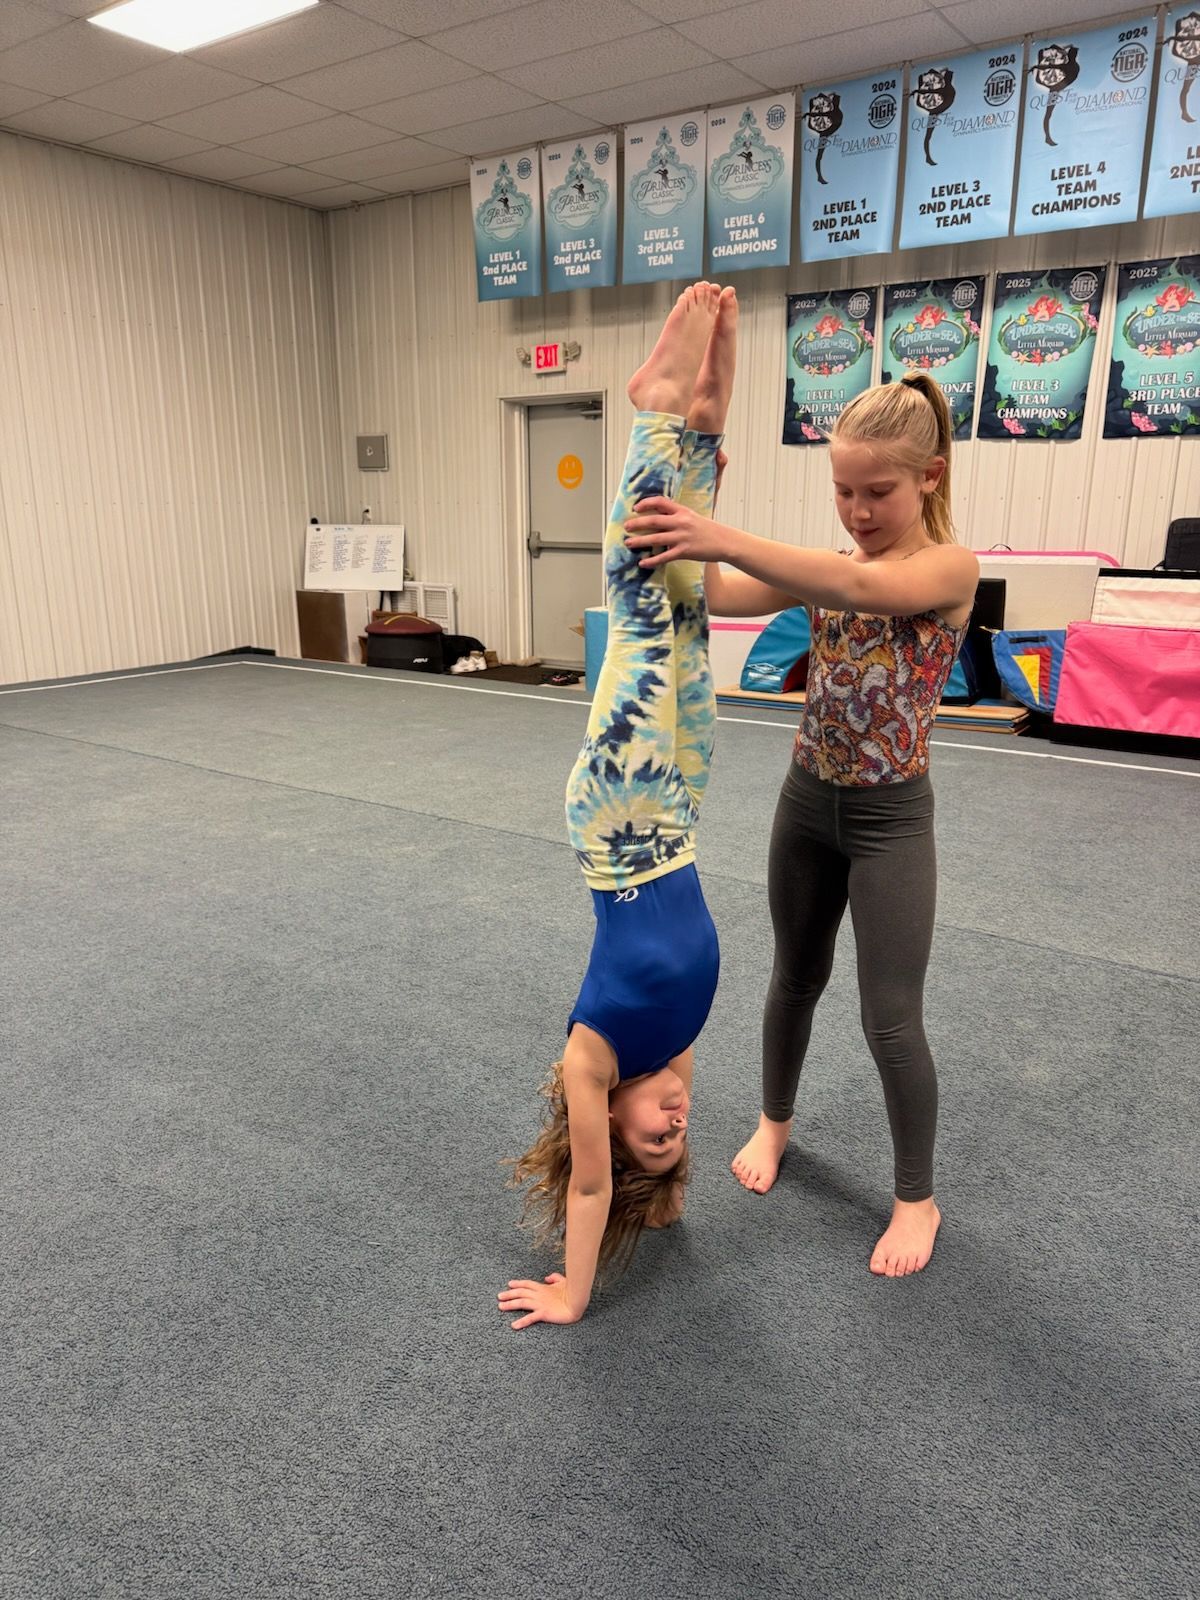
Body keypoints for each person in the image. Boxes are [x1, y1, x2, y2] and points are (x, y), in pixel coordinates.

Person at [624, 372, 978, 1278]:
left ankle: (916, 1198)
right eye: (843, 492)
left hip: (890, 820)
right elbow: (708, 591)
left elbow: (860, 589)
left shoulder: (947, 570)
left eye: (878, 492)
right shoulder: (831, 571)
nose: (857, 511)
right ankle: (774, 1122)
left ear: (930, 477)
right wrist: (688, 497)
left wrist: (726, 534)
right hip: (806, 804)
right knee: (792, 979)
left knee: (891, 1018)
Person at [499, 283, 738, 1329]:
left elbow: (594, 1188)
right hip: (678, 815)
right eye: (675, 1133)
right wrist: (674, 1187)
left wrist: (573, 1291)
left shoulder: (594, 1055)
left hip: (614, 825)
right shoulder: (677, 1049)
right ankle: (705, 423)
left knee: (642, 609)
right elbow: (654, 1179)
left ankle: (648, 409)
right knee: (686, 616)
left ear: (603, 1112)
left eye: (655, 1132)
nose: (674, 1118)